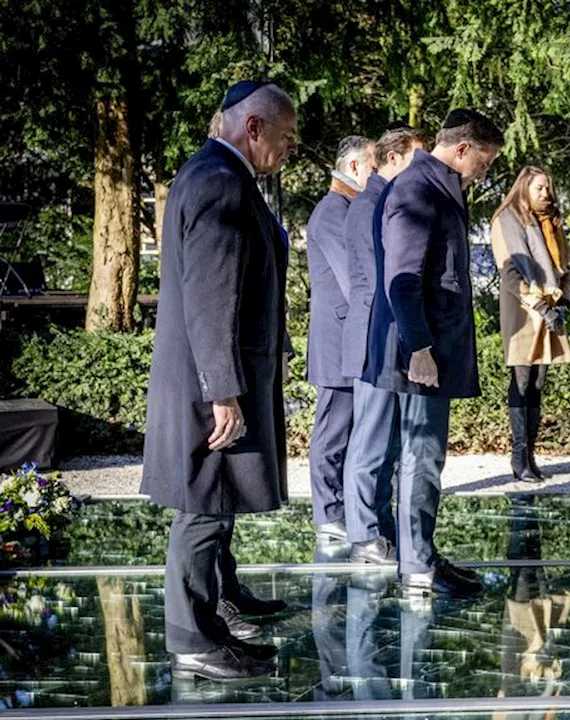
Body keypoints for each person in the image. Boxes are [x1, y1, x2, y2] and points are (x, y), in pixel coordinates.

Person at [140, 80, 297, 681]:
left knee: (214, 506)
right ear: (253, 128)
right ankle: (192, 642)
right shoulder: (219, 181)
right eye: (284, 137)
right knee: (202, 511)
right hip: (213, 385)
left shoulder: (216, 175)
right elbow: (211, 297)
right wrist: (222, 391)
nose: (288, 149)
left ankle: (212, 620)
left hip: (217, 377)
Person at [363, 108, 504, 596]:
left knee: (423, 458)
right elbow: (402, 280)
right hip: (416, 353)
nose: (484, 173)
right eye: (483, 163)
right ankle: (417, 566)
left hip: (424, 349)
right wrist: (419, 348)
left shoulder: (435, 184)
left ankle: (418, 553)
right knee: (421, 458)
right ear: (462, 149)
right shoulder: (417, 188)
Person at [342, 126, 430, 564]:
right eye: (418, 158)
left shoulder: (384, 200)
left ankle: (379, 527)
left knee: (388, 442)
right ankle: (362, 535)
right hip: (375, 336)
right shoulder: (370, 204)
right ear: (393, 158)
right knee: (370, 440)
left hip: (386, 334)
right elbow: (377, 279)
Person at [305, 135, 375, 542]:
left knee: (347, 430)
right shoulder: (333, 212)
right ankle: (328, 514)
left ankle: (340, 508)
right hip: (338, 339)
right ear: (352, 167)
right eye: (371, 166)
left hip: (350, 336)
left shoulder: (348, 210)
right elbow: (355, 280)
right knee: (333, 429)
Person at [490, 167, 570, 483]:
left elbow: (565, 267)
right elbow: (509, 272)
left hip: (550, 308)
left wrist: (563, 302)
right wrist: (540, 305)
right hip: (524, 309)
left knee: (538, 384)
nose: (546, 194)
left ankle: (530, 457)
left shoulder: (551, 223)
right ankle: (518, 457)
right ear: (524, 188)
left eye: (548, 188)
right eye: (540, 188)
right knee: (522, 382)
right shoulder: (507, 219)